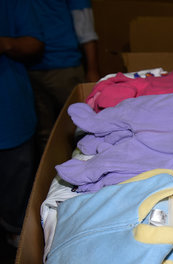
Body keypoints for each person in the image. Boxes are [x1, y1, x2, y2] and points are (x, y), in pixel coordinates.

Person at [28, 0, 100, 157]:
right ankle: (50, 173)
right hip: (30, 68)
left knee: (79, 126)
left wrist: (92, 69)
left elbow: (86, 28)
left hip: (65, 65)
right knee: (43, 133)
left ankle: (83, 162)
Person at [0, 0, 45, 248]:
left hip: (9, 111)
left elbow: (35, 42)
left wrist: (6, 43)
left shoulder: (14, 4)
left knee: (17, 176)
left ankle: (15, 228)